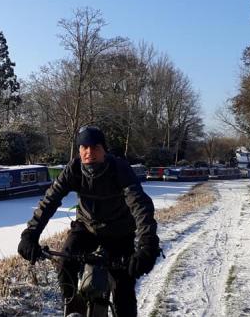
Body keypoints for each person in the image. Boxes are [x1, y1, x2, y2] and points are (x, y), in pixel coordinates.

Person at [18, 126, 160, 316]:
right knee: (65, 264)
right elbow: (50, 200)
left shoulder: (119, 169)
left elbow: (140, 205)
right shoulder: (74, 169)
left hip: (119, 232)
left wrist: (147, 245)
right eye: (84, 147)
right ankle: (74, 309)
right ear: (79, 150)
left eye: (95, 147)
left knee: (123, 286)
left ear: (104, 150)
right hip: (86, 228)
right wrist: (30, 234)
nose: (89, 152)